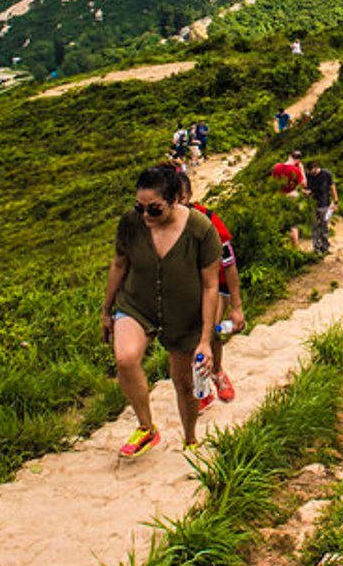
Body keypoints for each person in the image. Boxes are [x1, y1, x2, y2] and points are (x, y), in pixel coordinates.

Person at [101, 163, 221, 458]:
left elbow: (210, 286)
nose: (145, 216)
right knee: (125, 358)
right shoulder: (131, 223)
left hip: (184, 312)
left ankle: (191, 439)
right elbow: (119, 265)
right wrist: (106, 309)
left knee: (183, 382)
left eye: (154, 209)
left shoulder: (200, 230)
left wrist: (205, 338)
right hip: (137, 304)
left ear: (175, 200)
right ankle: (147, 428)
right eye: (139, 207)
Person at [186, 186, 243, 405]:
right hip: (189, 287)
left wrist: (236, 307)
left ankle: (217, 373)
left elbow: (229, 265)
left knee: (208, 331)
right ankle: (203, 389)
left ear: (188, 195)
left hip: (217, 286)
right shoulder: (163, 224)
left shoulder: (209, 220)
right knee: (191, 338)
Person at [306, 161, 337, 254]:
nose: (311, 173)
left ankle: (325, 246)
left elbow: (332, 187)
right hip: (312, 204)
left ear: (316, 167)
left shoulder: (326, 174)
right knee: (314, 226)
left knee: (324, 225)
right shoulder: (308, 175)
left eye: (312, 171)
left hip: (324, 203)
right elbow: (304, 186)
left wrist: (335, 201)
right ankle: (316, 247)